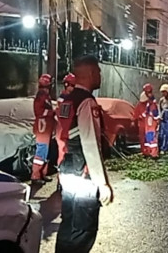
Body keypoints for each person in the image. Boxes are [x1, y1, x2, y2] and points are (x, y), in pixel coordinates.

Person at [55, 55, 113, 253]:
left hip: (67, 169)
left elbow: (61, 134)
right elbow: (90, 143)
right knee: (83, 228)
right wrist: (102, 183)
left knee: (68, 222)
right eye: (98, 71)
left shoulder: (66, 99)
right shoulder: (86, 102)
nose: (100, 76)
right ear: (90, 73)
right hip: (83, 173)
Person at [31, 73, 55, 184]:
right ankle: (36, 176)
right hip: (42, 129)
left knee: (46, 152)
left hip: (46, 128)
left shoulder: (45, 95)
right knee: (41, 152)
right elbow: (39, 112)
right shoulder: (41, 96)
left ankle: (42, 174)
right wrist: (52, 112)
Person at [56, 73, 77, 166]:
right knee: (64, 153)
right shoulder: (67, 98)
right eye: (73, 86)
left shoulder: (63, 97)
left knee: (63, 153)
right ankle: (62, 176)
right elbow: (65, 116)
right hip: (64, 129)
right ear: (67, 85)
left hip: (62, 129)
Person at [133, 83, 156, 156]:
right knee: (144, 138)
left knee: (150, 138)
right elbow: (136, 114)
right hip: (144, 123)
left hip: (149, 123)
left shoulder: (151, 101)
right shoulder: (142, 103)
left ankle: (150, 152)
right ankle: (146, 152)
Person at [141, 85, 160, 158]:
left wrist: (156, 119)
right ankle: (148, 151)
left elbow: (154, 112)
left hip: (151, 121)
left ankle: (153, 153)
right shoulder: (149, 101)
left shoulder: (152, 102)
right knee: (148, 137)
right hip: (148, 120)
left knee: (151, 136)